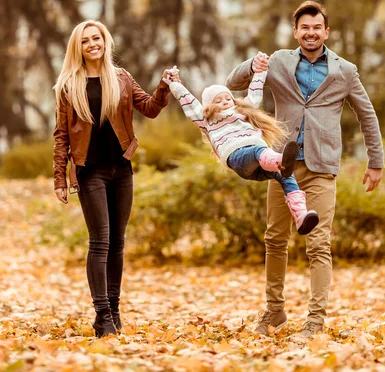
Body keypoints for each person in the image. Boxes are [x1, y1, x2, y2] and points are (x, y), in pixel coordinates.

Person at [226, 1, 384, 338]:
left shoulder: (345, 70)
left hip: (322, 166)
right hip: (281, 167)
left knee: (318, 244)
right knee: (274, 239)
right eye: (304, 28)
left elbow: (367, 115)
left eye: (316, 28)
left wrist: (375, 161)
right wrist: (250, 64)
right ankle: (274, 311)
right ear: (296, 32)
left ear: (326, 32)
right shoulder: (280, 61)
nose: (310, 33)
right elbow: (233, 82)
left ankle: (314, 321)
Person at [53, 20, 172, 338]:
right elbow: (62, 136)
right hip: (89, 171)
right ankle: (102, 315)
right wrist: (60, 179)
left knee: (118, 243)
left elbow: (149, 108)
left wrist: (163, 87)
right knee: (100, 242)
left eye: (97, 38)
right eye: (86, 40)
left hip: (121, 169)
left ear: (105, 41)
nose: (93, 43)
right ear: (77, 47)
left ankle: (115, 310)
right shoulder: (69, 84)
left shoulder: (121, 78)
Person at [163, 66, 319, 235]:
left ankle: (301, 216)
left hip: (258, 165)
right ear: (208, 106)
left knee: (285, 176)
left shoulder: (242, 111)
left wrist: (260, 71)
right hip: (238, 158)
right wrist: (175, 83)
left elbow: (255, 92)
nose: (224, 102)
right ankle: (280, 161)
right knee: (259, 151)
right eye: (218, 100)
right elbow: (187, 101)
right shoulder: (206, 119)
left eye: (227, 98)